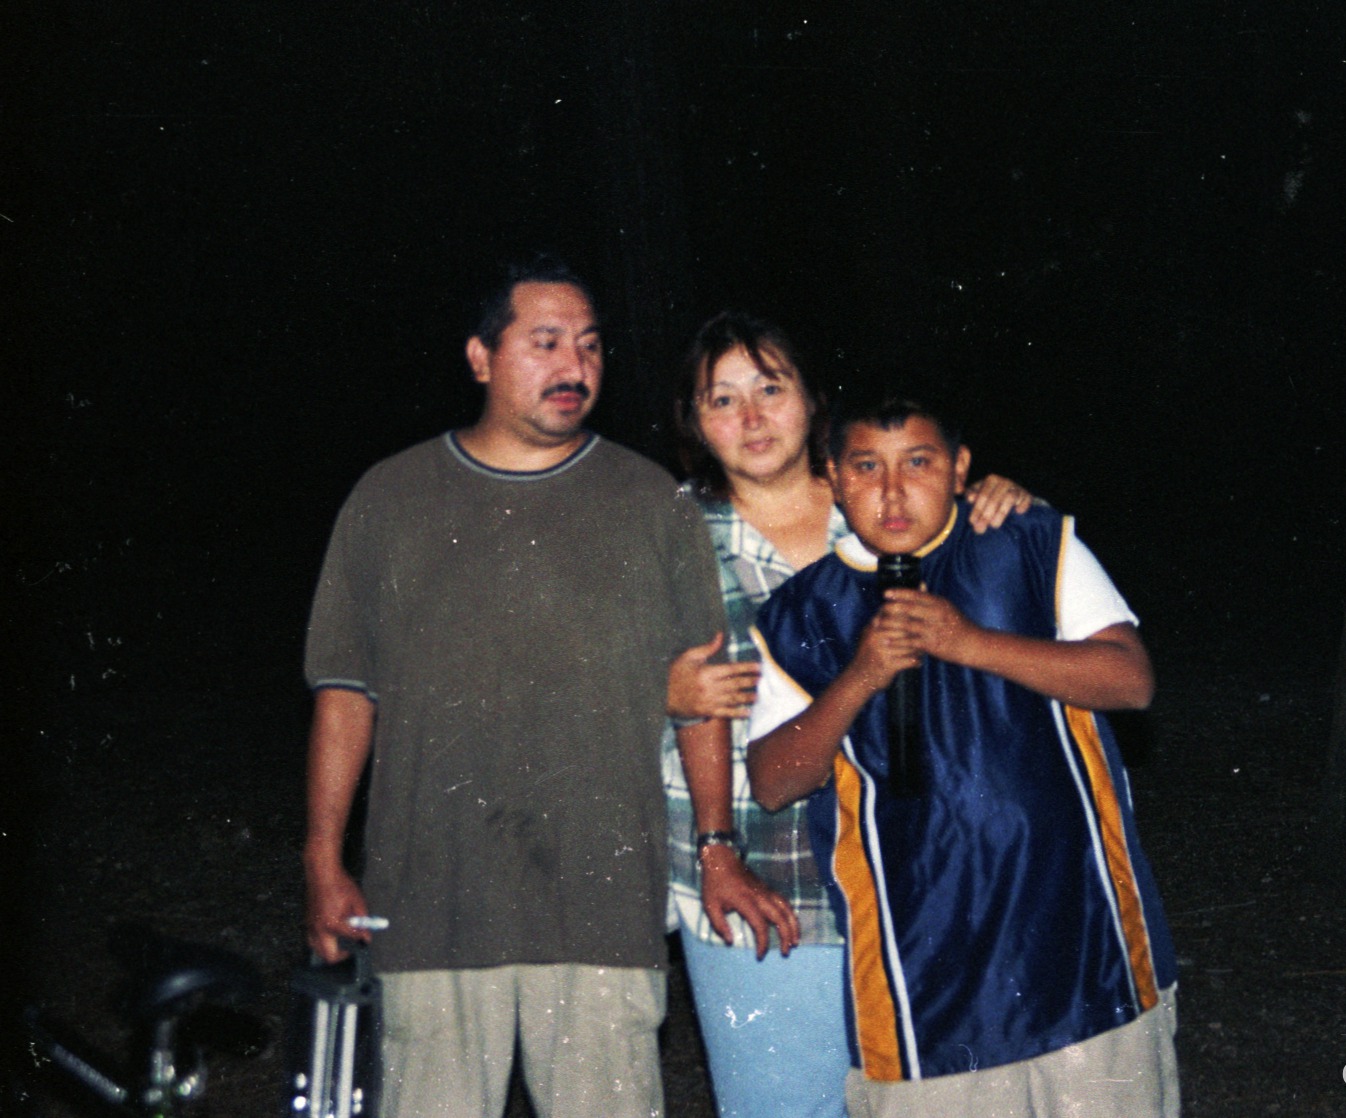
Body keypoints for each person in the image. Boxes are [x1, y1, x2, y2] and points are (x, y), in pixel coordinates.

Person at [301, 258, 734, 1118]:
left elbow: (704, 697)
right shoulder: (390, 497)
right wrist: (321, 859)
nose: (575, 366)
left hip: (601, 910)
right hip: (432, 906)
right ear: (480, 357)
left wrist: (717, 848)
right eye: (546, 343)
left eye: (590, 345)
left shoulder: (651, 502)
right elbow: (346, 693)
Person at [746, 398, 1180, 1118]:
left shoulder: (1030, 543)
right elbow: (771, 782)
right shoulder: (800, 613)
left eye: (917, 463)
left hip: (1085, 953)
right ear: (834, 478)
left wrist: (967, 642)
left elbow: (1130, 680)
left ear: (959, 468)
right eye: (866, 467)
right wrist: (859, 677)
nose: (892, 492)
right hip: (921, 986)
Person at [661, 313, 1032, 1117]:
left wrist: (998, 499)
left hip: (916, 869)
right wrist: (718, 853)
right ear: (695, 422)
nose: (751, 417)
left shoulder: (883, 499)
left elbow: (1001, 578)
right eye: (722, 399)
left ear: (811, 399)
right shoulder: (666, 532)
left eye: (770, 388)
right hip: (760, 870)